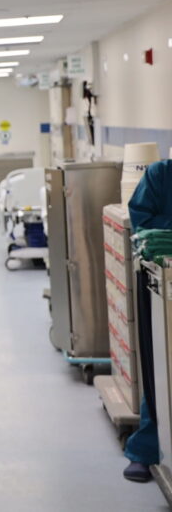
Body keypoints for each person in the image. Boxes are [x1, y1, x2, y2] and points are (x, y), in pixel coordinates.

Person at [123, 159, 172, 482]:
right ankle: (147, 449)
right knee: (161, 367)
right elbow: (142, 221)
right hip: (161, 276)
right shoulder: (161, 175)